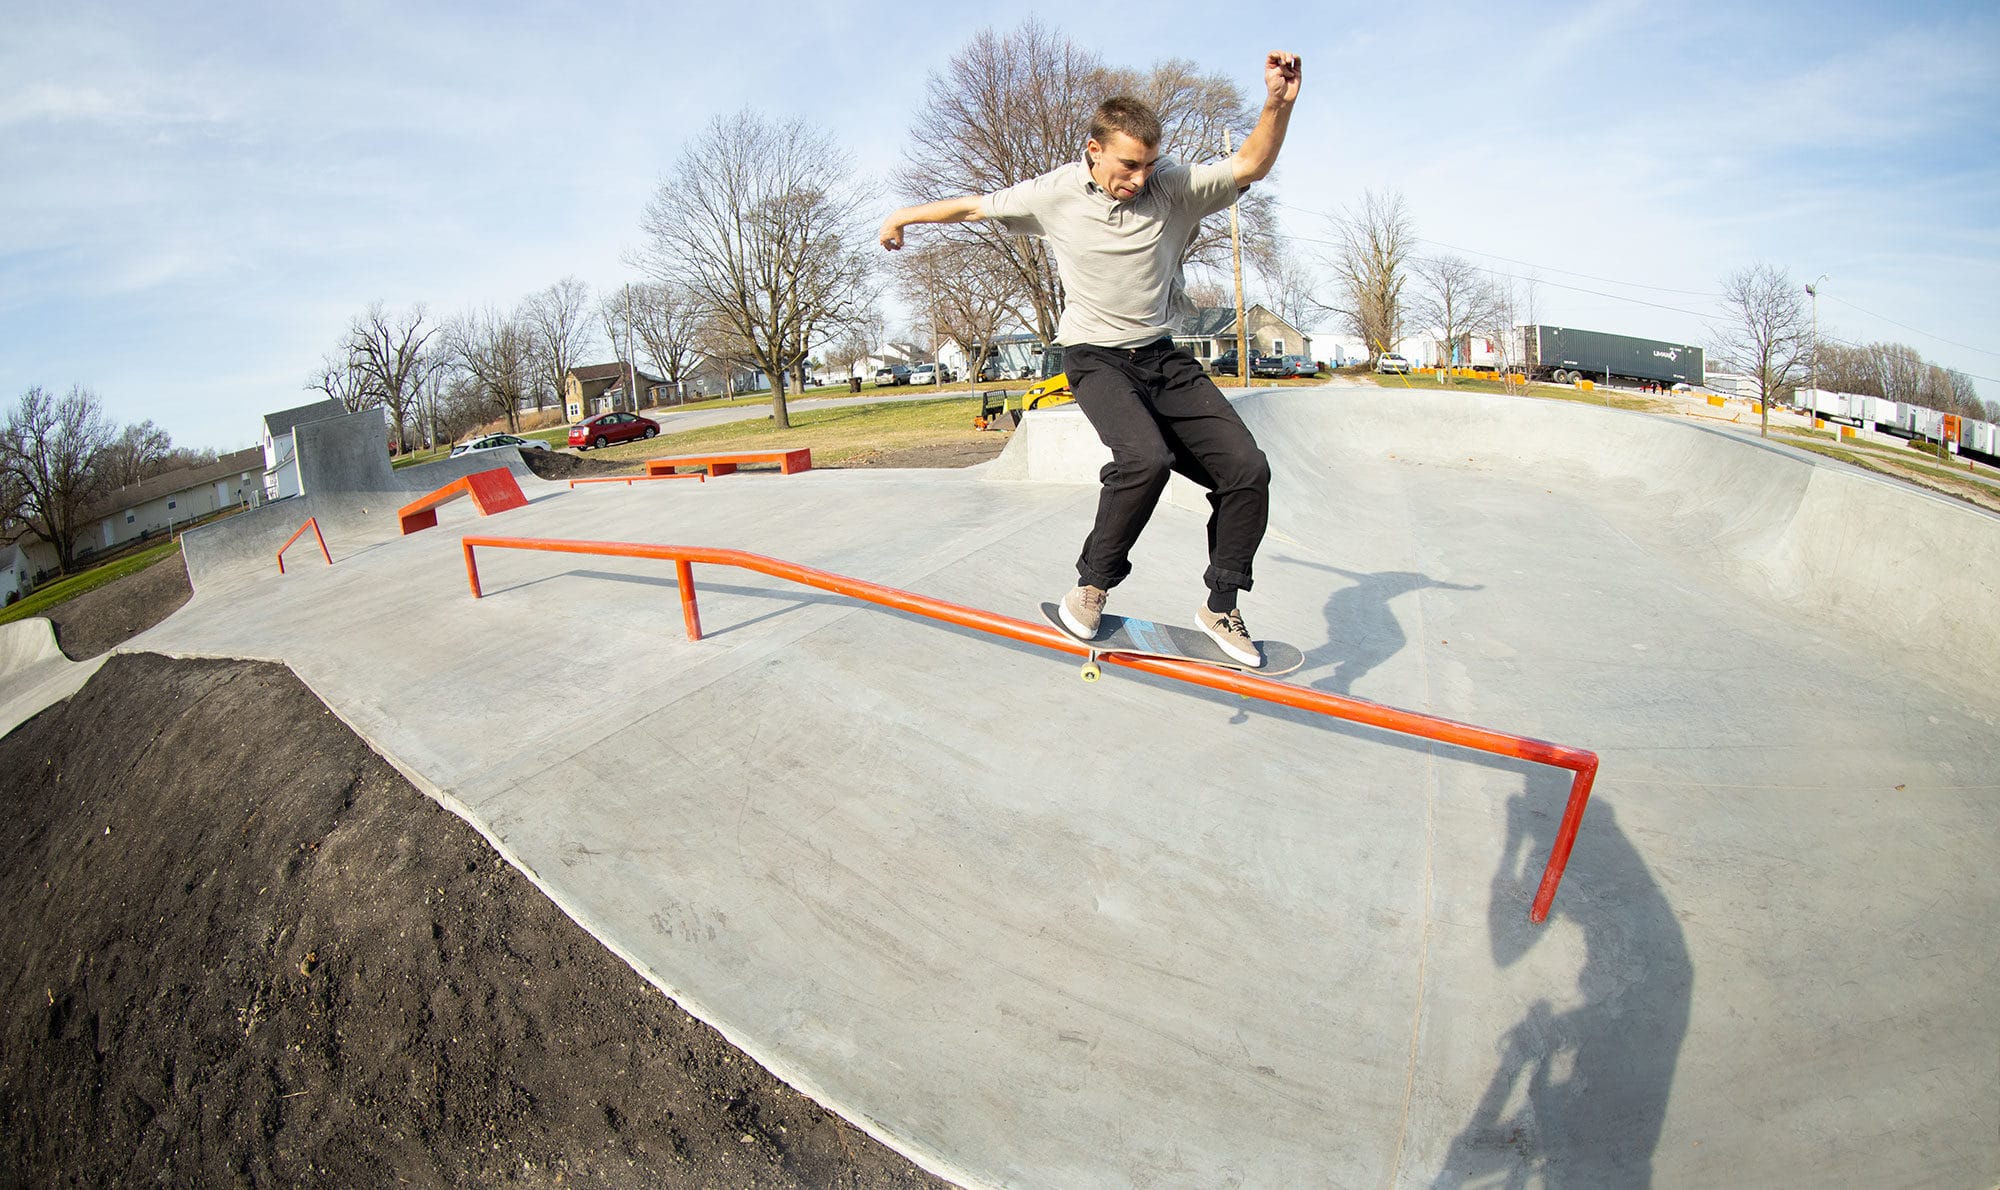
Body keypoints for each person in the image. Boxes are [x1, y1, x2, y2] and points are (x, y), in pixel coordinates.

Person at [878, 52, 1303, 667]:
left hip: (1162, 357)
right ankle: (1092, 587)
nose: (1139, 179)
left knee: (1248, 472)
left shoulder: (1173, 186)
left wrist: (1277, 103)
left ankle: (1220, 605)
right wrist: (902, 216)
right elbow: (974, 206)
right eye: (1128, 165)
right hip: (1094, 359)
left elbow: (1250, 164)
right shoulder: (1054, 194)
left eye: (1149, 165)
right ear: (1094, 150)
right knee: (1145, 459)